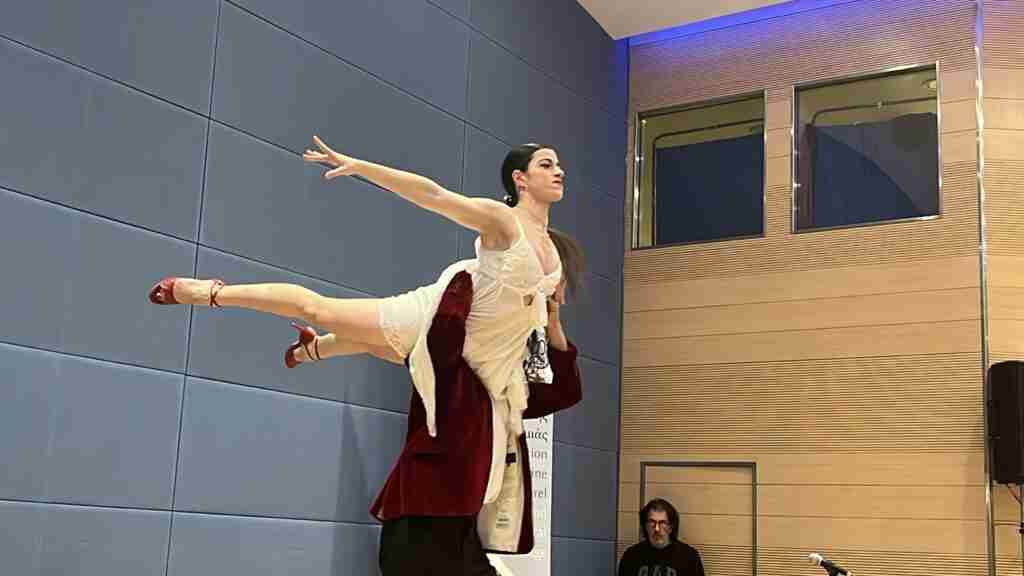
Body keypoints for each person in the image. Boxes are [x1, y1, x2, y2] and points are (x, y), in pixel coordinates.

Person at [147, 137, 587, 572]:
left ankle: (313, 349)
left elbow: (546, 345)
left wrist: (552, 318)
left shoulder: (553, 252)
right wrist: (360, 167)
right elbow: (433, 194)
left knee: (384, 346)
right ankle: (209, 292)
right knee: (321, 310)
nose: (559, 170)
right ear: (520, 179)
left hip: (483, 356)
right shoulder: (503, 222)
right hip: (441, 312)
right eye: (546, 164)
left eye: (558, 164)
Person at [618, 498, 705, 576]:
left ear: (671, 527)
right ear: (645, 526)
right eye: (652, 522)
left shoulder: (689, 557)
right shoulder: (631, 556)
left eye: (662, 523)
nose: (656, 529)